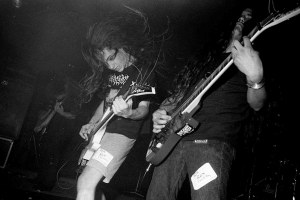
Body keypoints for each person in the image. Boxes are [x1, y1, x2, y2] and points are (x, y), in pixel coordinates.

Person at [146, 9, 267, 200]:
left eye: (246, 18)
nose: (241, 21)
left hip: (212, 141)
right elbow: (178, 95)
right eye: (239, 16)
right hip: (174, 138)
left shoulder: (251, 57)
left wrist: (255, 78)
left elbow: (257, 104)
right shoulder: (205, 59)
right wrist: (160, 111)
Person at [76, 7, 164, 200]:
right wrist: (92, 123)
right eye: (105, 62)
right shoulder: (111, 73)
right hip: (100, 134)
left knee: (85, 183)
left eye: (111, 58)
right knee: (96, 190)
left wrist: (127, 113)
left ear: (122, 46)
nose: (109, 65)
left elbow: (143, 111)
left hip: (121, 135)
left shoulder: (144, 71)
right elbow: (105, 102)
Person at [33, 76, 81, 191]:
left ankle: (47, 185)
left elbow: (74, 116)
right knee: (45, 156)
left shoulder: (73, 100)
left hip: (62, 134)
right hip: (52, 131)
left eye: (66, 85)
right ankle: (40, 179)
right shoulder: (60, 99)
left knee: (52, 159)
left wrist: (61, 112)